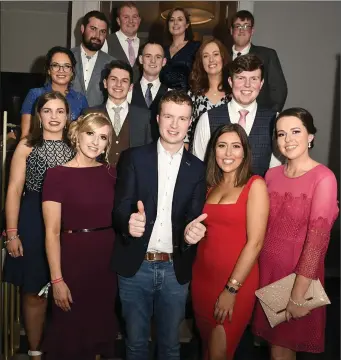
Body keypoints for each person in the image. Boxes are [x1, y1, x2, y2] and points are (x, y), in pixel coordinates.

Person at [112, 90, 207, 360]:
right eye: (168, 116)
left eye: (182, 118)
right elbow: (120, 208)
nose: (174, 125)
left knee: (170, 347)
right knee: (135, 345)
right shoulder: (133, 158)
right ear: (157, 118)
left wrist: (193, 234)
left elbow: (194, 218)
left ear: (190, 123)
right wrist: (128, 222)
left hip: (174, 270)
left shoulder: (197, 168)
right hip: (135, 266)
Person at [252, 108, 339, 359]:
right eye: (281, 134)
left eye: (295, 131)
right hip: (267, 271)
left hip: (296, 276)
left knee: (282, 352)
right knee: (274, 349)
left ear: (310, 136)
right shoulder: (271, 174)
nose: (288, 139)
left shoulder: (323, 178)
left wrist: (298, 294)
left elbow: (317, 241)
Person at [3, 91, 75, 360]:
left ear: (68, 116)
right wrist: (12, 233)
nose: (54, 117)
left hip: (69, 221)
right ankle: (34, 351)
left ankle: (61, 348)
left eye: (60, 111)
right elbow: (13, 190)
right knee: (34, 290)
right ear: (39, 115)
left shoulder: (77, 145)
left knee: (66, 288)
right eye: (48, 111)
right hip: (33, 219)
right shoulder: (26, 145)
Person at [41, 113, 117, 360]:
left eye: (103, 137)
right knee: (70, 338)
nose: (96, 142)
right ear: (78, 134)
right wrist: (57, 280)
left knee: (100, 335)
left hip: (106, 265)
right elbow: (51, 232)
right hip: (73, 263)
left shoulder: (112, 174)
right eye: (90, 133)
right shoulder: (56, 175)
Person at [191, 123, 269, 360]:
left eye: (235, 146)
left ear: (244, 152)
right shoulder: (210, 187)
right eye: (222, 146)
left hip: (235, 283)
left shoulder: (255, 185)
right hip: (202, 279)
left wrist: (231, 289)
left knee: (219, 351)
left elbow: (255, 243)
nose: (228, 153)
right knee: (208, 348)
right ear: (213, 150)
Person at [193, 54, 281, 176]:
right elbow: (198, 169)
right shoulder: (207, 119)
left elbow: (276, 173)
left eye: (254, 79)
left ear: (261, 84)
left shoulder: (276, 120)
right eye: (241, 78)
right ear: (230, 81)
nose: (247, 85)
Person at [83, 60, 153, 165]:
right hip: (96, 176)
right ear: (105, 83)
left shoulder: (144, 116)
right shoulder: (89, 113)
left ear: (130, 87)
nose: (118, 84)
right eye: (113, 79)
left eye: (124, 81)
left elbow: (149, 154)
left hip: (131, 179)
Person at [20, 46, 88, 138]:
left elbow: (85, 136)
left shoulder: (80, 99)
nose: (61, 70)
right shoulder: (35, 95)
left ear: (72, 71)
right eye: (55, 65)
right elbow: (25, 136)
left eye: (67, 66)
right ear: (48, 70)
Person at [230, 10, 287, 112]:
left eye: (246, 26)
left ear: (252, 31)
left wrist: (270, 118)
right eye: (238, 26)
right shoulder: (222, 57)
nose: (241, 30)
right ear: (231, 30)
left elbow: (279, 90)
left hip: (259, 118)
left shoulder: (267, 55)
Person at [187, 38, 231, 148]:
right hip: (198, 158)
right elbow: (186, 135)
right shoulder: (192, 95)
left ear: (223, 57)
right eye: (205, 56)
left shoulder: (233, 93)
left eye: (215, 54)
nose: (211, 59)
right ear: (201, 62)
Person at [71, 11, 115, 107]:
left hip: (99, 119)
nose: (97, 35)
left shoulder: (112, 63)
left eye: (102, 31)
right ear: (82, 29)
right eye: (93, 29)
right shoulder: (66, 57)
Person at [128, 41, 169, 139]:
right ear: (141, 59)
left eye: (158, 57)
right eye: (148, 56)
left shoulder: (170, 93)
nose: (153, 61)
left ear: (164, 62)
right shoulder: (128, 91)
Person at [160, 7, 200, 91]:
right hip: (163, 99)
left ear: (187, 25)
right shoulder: (161, 50)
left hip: (186, 99)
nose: (175, 23)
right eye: (172, 20)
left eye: (180, 19)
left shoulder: (196, 47)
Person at [107, 1, 142, 82]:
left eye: (135, 17)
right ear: (118, 21)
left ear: (139, 20)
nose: (131, 21)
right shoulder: (106, 42)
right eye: (126, 17)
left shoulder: (146, 46)